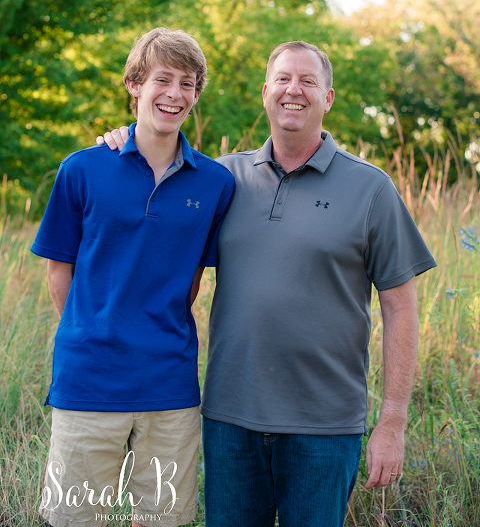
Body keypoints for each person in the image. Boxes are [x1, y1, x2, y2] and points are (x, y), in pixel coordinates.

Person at [100, 40, 436, 527]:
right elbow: (154, 201)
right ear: (265, 92)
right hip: (229, 421)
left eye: (307, 81)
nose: (293, 90)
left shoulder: (371, 188)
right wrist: (122, 141)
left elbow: (401, 308)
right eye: (282, 79)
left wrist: (394, 420)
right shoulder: (221, 178)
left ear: (328, 98)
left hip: (324, 427)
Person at [32, 27, 235, 527]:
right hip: (88, 381)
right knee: (76, 518)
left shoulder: (216, 182)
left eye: (187, 84)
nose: (175, 94)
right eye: (163, 79)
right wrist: (92, 331)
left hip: (170, 384)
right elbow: (59, 270)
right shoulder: (81, 169)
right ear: (135, 84)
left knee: (163, 518)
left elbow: (192, 280)